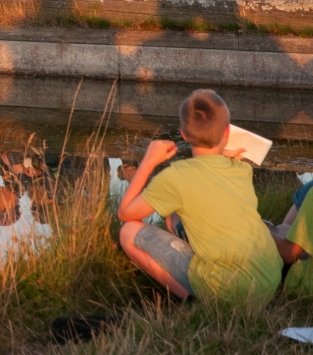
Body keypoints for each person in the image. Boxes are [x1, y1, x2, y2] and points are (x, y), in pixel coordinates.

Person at [116, 89, 282, 305]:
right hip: (269, 280)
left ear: (184, 135)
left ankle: (192, 300)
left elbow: (125, 213)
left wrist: (147, 163)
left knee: (128, 232)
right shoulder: (241, 167)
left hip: (225, 290)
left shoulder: (176, 176)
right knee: (173, 215)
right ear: (227, 132)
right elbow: (209, 169)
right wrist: (225, 154)